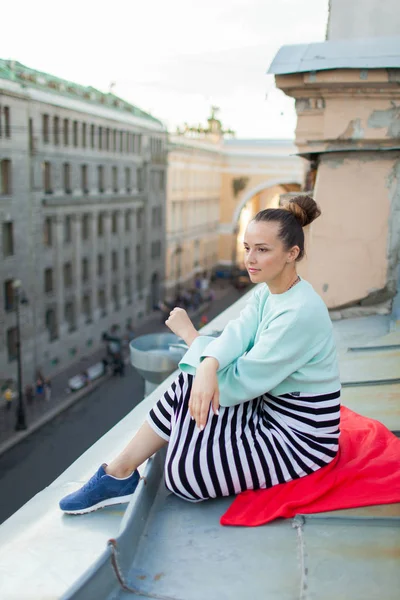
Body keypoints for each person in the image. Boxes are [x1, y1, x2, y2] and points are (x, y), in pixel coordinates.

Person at [59, 196, 341, 515]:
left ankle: (122, 474)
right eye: (247, 247)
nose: (250, 258)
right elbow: (237, 333)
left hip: (300, 439)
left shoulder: (298, 313)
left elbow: (236, 386)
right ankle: (119, 471)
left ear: (292, 254)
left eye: (263, 249)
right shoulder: (269, 291)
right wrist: (208, 362)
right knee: (191, 379)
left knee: (184, 480)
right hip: (268, 411)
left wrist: (192, 338)